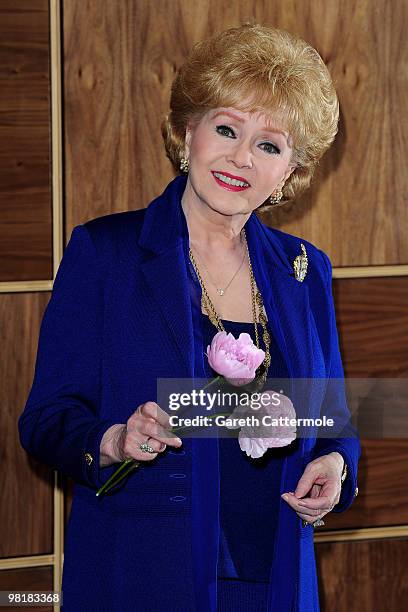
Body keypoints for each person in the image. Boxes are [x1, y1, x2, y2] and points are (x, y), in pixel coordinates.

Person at [18, 23, 361, 612]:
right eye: (226, 129)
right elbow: (47, 418)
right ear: (186, 133)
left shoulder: (306, 269)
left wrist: (335, 464)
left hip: (275, 575)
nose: (240, 158)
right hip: (147, 572)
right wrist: (114, 438)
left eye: (269, 145)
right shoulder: (107, 253)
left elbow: (330, 415)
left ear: (289, 172)